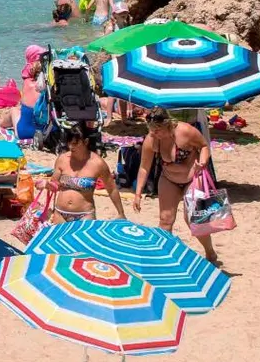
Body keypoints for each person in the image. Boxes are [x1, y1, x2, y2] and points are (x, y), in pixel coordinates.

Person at [133, 108, 218, 263]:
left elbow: (204, 146)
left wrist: (203, 162)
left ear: (168, 124)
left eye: (158, 130)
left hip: (192, 178)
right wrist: (138, 194)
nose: (154, 133)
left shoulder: (185, 131)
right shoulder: (152, 139)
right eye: (152, 130)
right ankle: (164, 258)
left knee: (192, 218)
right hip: (169, 178)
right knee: (165, 219)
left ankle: (210, 251)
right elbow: (144, 167)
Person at [50, 123, 124, 222]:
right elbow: (54, 185)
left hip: (84, 215)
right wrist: (46, 185)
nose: (71, 147)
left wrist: (121, 213)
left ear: (86, 141)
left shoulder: (97, 163)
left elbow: (112, 189)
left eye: (75, 143)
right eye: (69, 143)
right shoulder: (62, 159)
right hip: (60, 213)